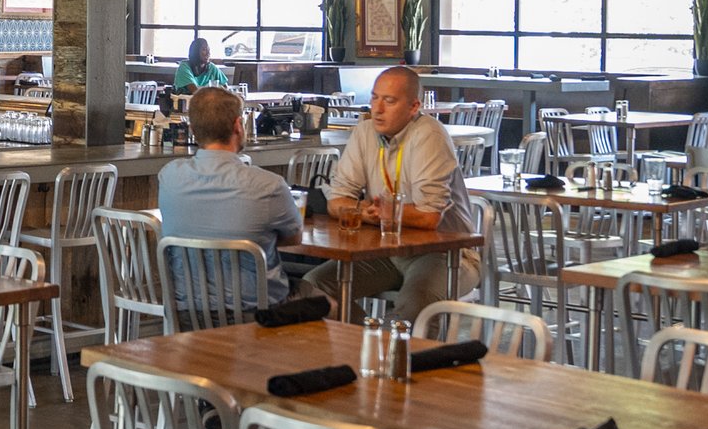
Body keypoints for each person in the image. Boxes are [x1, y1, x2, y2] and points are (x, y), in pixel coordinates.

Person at [325, 65, 479, 317]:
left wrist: (385, 212)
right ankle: (367, 347)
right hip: (384, 250)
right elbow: (336, 199)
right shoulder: (364, 132)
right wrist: (364, 212)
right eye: (374, 98)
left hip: (446, 255)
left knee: (414, 302)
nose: (377, 109)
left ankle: (403, 356)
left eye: (389, 101)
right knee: (315, 287)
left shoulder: (428, 135)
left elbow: (429, 217)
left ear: (414, 107)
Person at [156, 87, 302, 304]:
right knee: (330, 302)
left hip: (187, 313)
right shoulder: (268, 186)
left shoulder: (168, 177)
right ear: (238, 126)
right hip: (258, 317)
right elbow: (294, 238)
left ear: (193, 129)